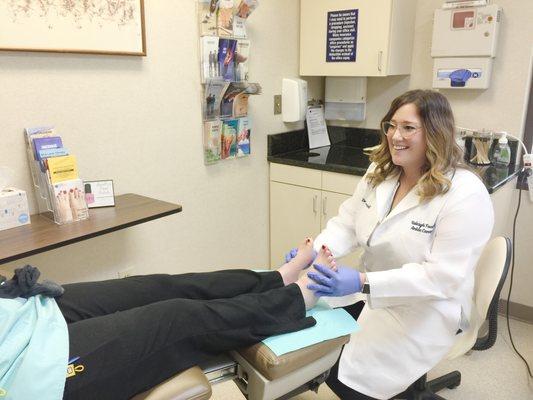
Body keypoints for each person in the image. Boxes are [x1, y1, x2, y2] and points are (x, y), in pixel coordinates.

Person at [287, 90, 494, 400]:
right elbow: (347, 223)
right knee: (317, 345)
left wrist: (361, 281)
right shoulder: (380, 173)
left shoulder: (465, 194)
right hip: (370, 288)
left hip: (429, 308)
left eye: (409, 128)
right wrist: (316, 250)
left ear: (436, 132)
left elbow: (441, 277)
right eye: (391, 125)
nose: (396, 136)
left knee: (354, 378)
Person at [0, 240, 336, 400]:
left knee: (161, 286)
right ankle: (295, 299)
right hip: (24, 375)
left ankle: (277, 279)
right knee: (177, 316)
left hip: (19, 314)